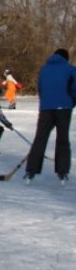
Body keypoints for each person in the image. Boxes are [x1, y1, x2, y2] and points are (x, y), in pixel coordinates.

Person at [24, 49, 76, 184]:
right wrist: (71, 102)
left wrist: (45, 102)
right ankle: (62, 171)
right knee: (62, 139)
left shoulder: (44, 69)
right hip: (64, 108)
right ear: (66, 57)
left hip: (46, 108)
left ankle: (31, 170)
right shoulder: (70, 69)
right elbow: (74, 88)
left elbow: (40, 87)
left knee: (40, 138)